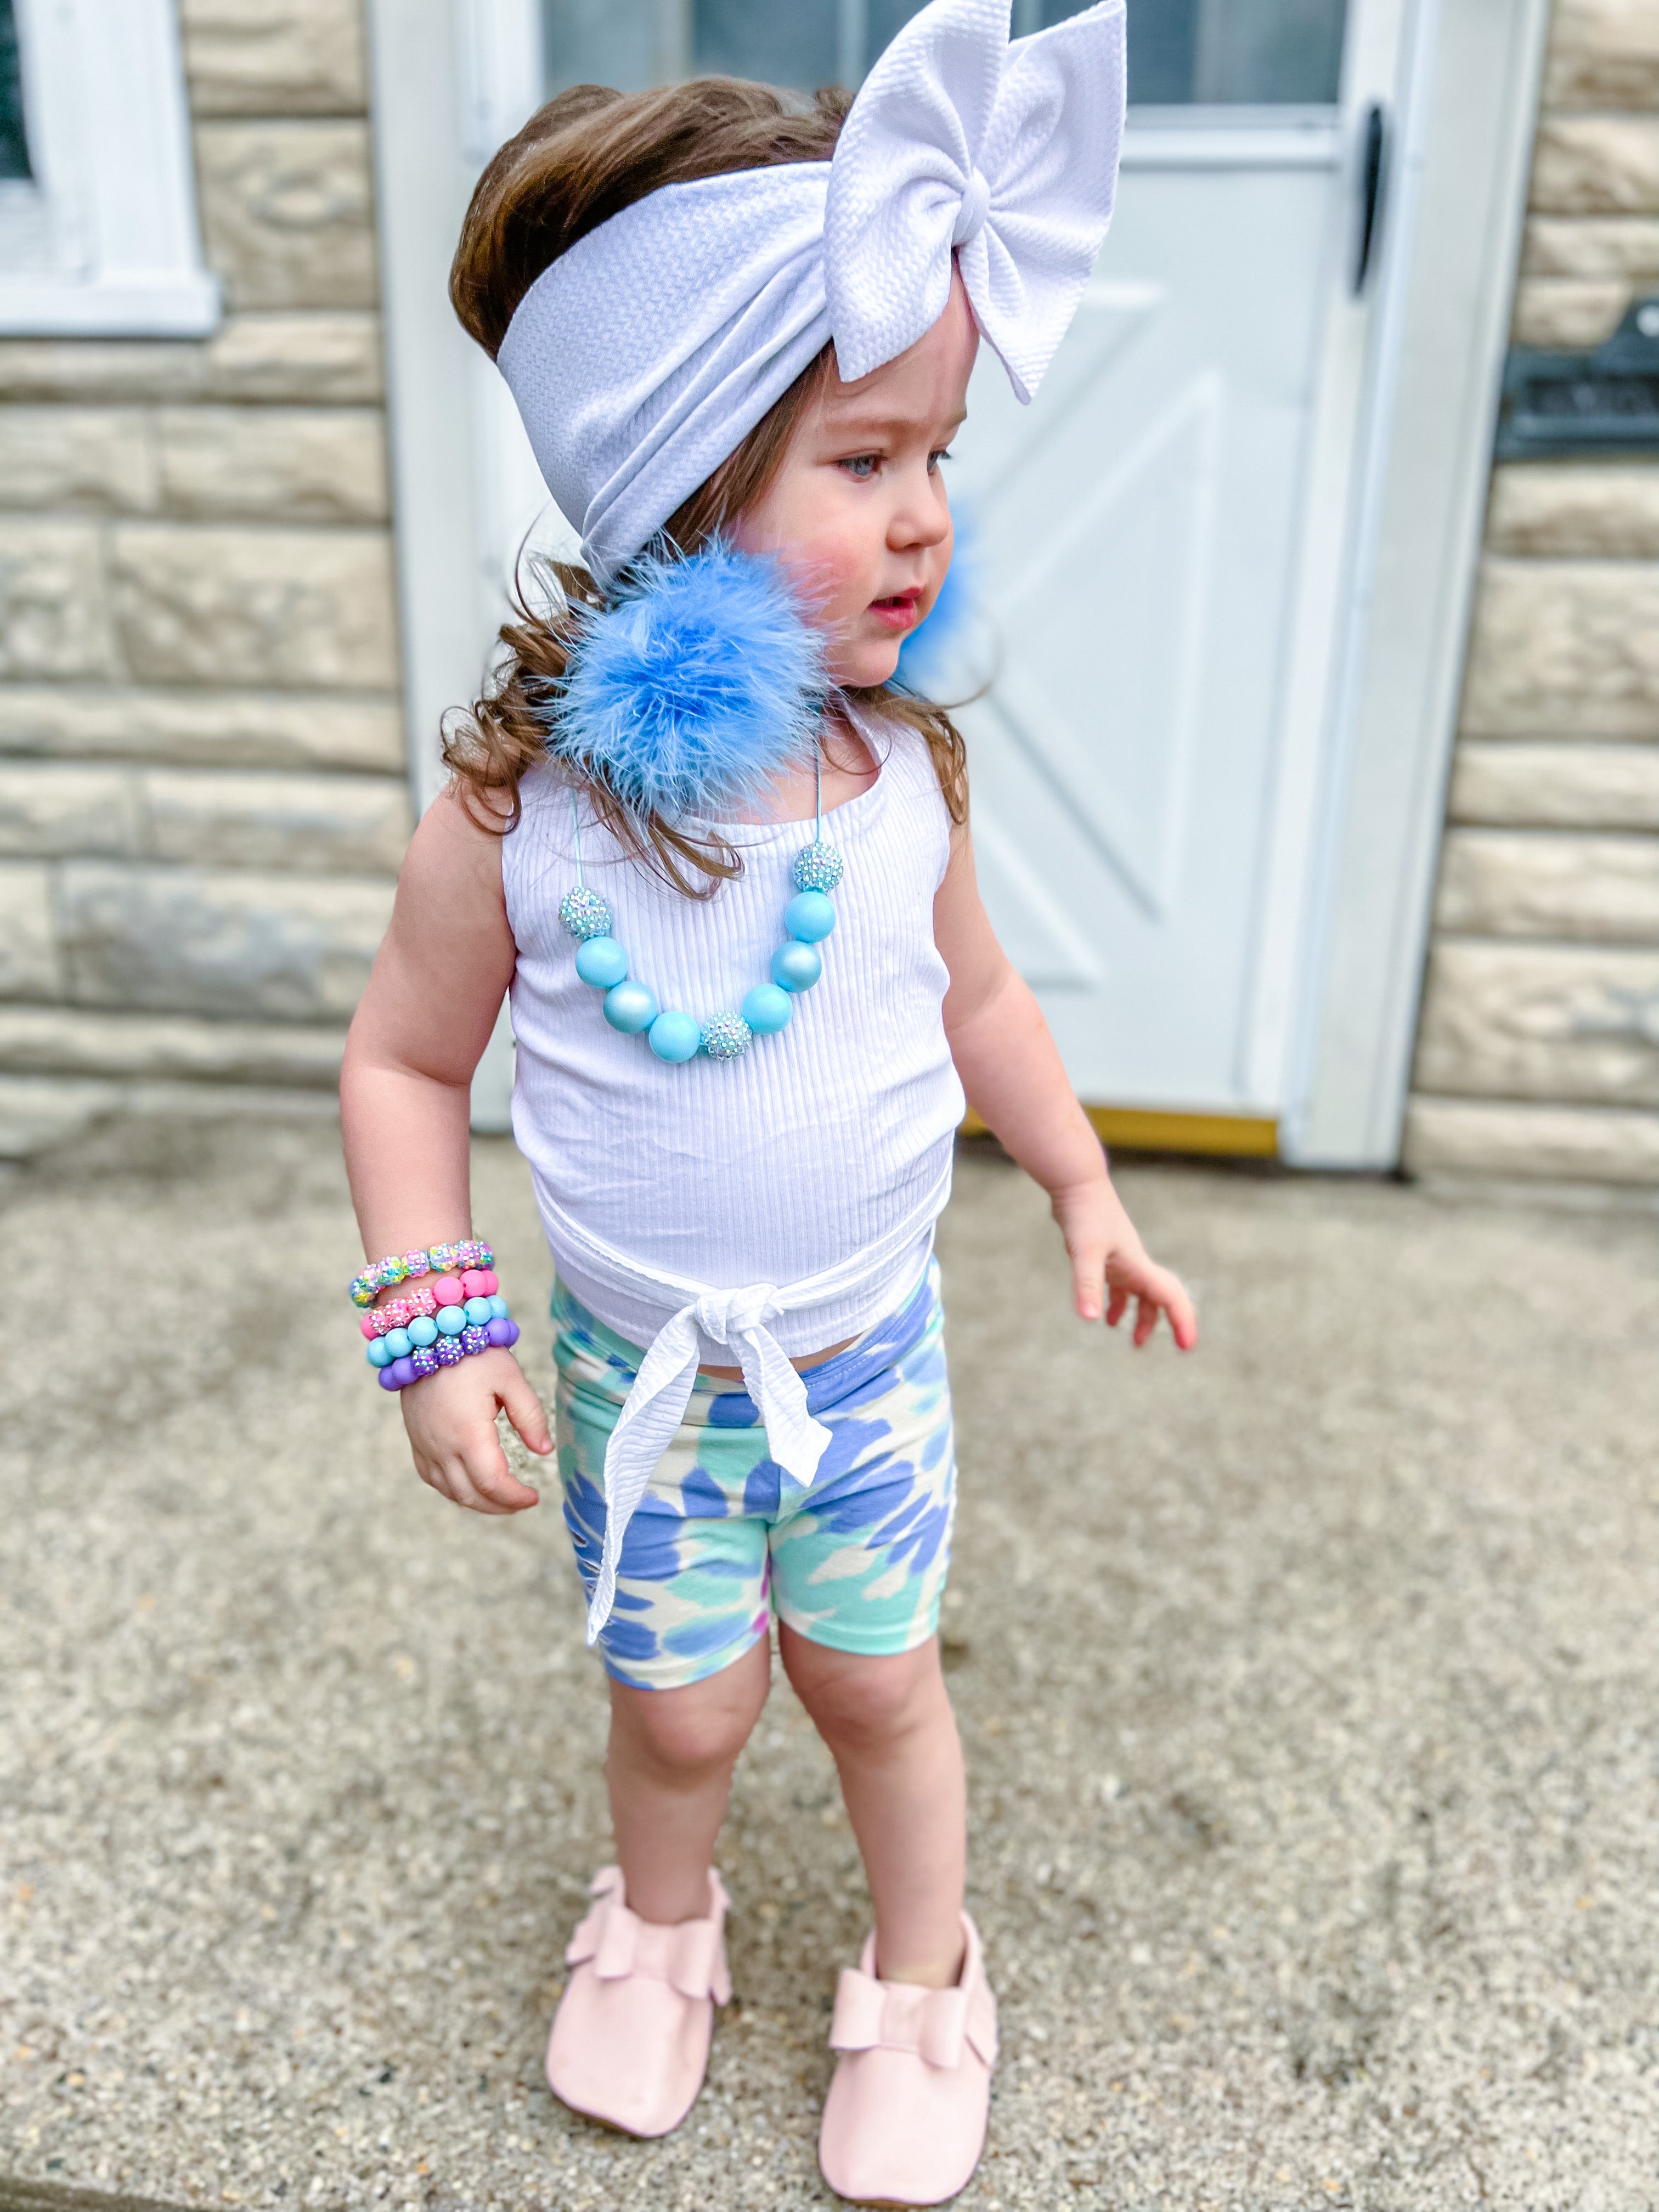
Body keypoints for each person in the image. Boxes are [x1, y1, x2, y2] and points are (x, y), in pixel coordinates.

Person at [340, 1, 1195, 2200]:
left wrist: (1086, 1189)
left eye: (938, 459)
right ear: (672, 482)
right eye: (862, 460)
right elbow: (405, 1061)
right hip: (641, 1378)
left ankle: (927, 1972)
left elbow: (982, 1002)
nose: (925, 519)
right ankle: (661, 1913)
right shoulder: (518, 814)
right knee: (683, 1706)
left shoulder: (898, 781)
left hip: (865, 1363)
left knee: (876, 1682)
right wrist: (442, 1324)